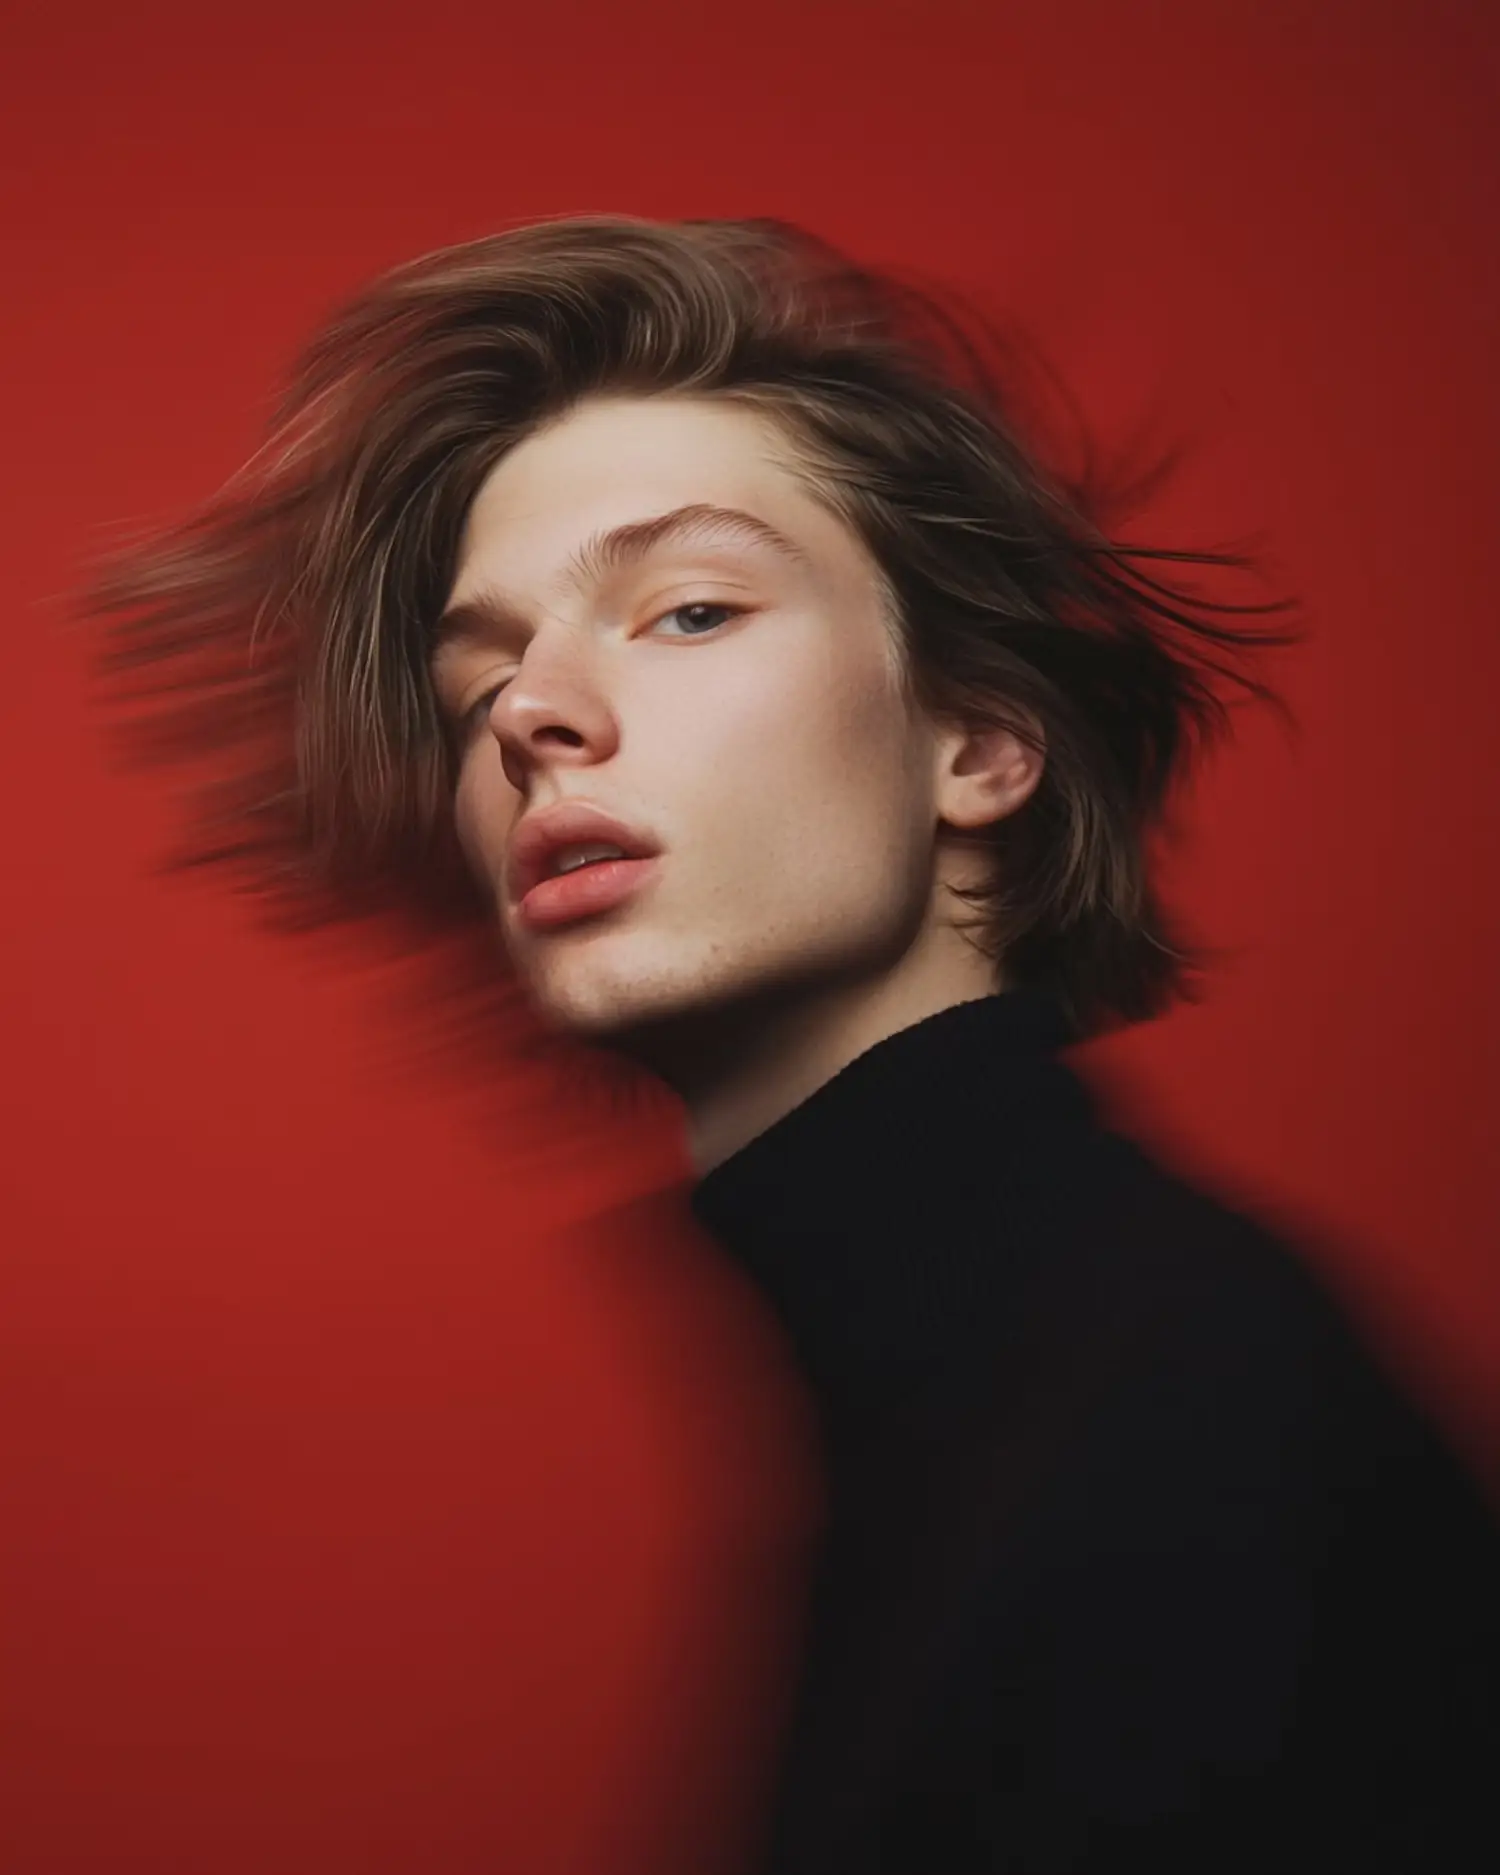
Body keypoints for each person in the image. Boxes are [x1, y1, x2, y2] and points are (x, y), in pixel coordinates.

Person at [91, 215, 1500, 1873]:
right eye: (483, 687)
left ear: (978, 743)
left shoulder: (1188, 1423)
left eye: (689, 610)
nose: (535, 713)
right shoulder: (917, 1440)